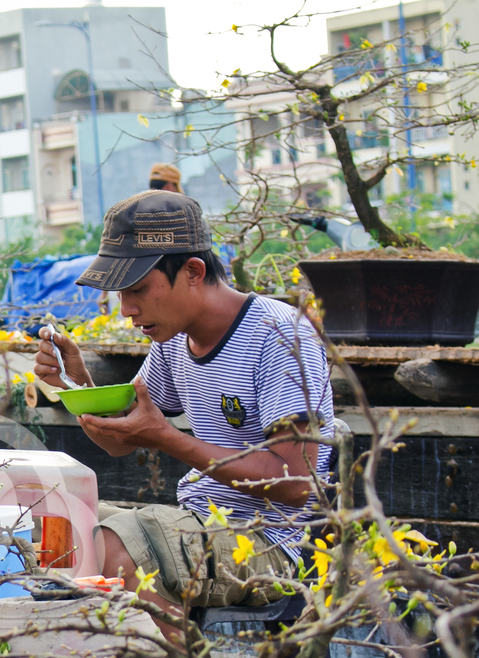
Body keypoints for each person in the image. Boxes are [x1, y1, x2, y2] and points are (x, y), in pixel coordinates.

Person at [34, 190, 333, 615]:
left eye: (137, 289)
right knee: (57, 520)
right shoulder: (174, 339)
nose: (127, 310)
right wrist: (77, 383)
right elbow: (122, 438)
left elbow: (294, 484)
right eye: (121, 295)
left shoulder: (280, 336)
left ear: (193, 271)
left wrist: (168, 439)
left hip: (277, 543)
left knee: (119, 545)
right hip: (201, 524)